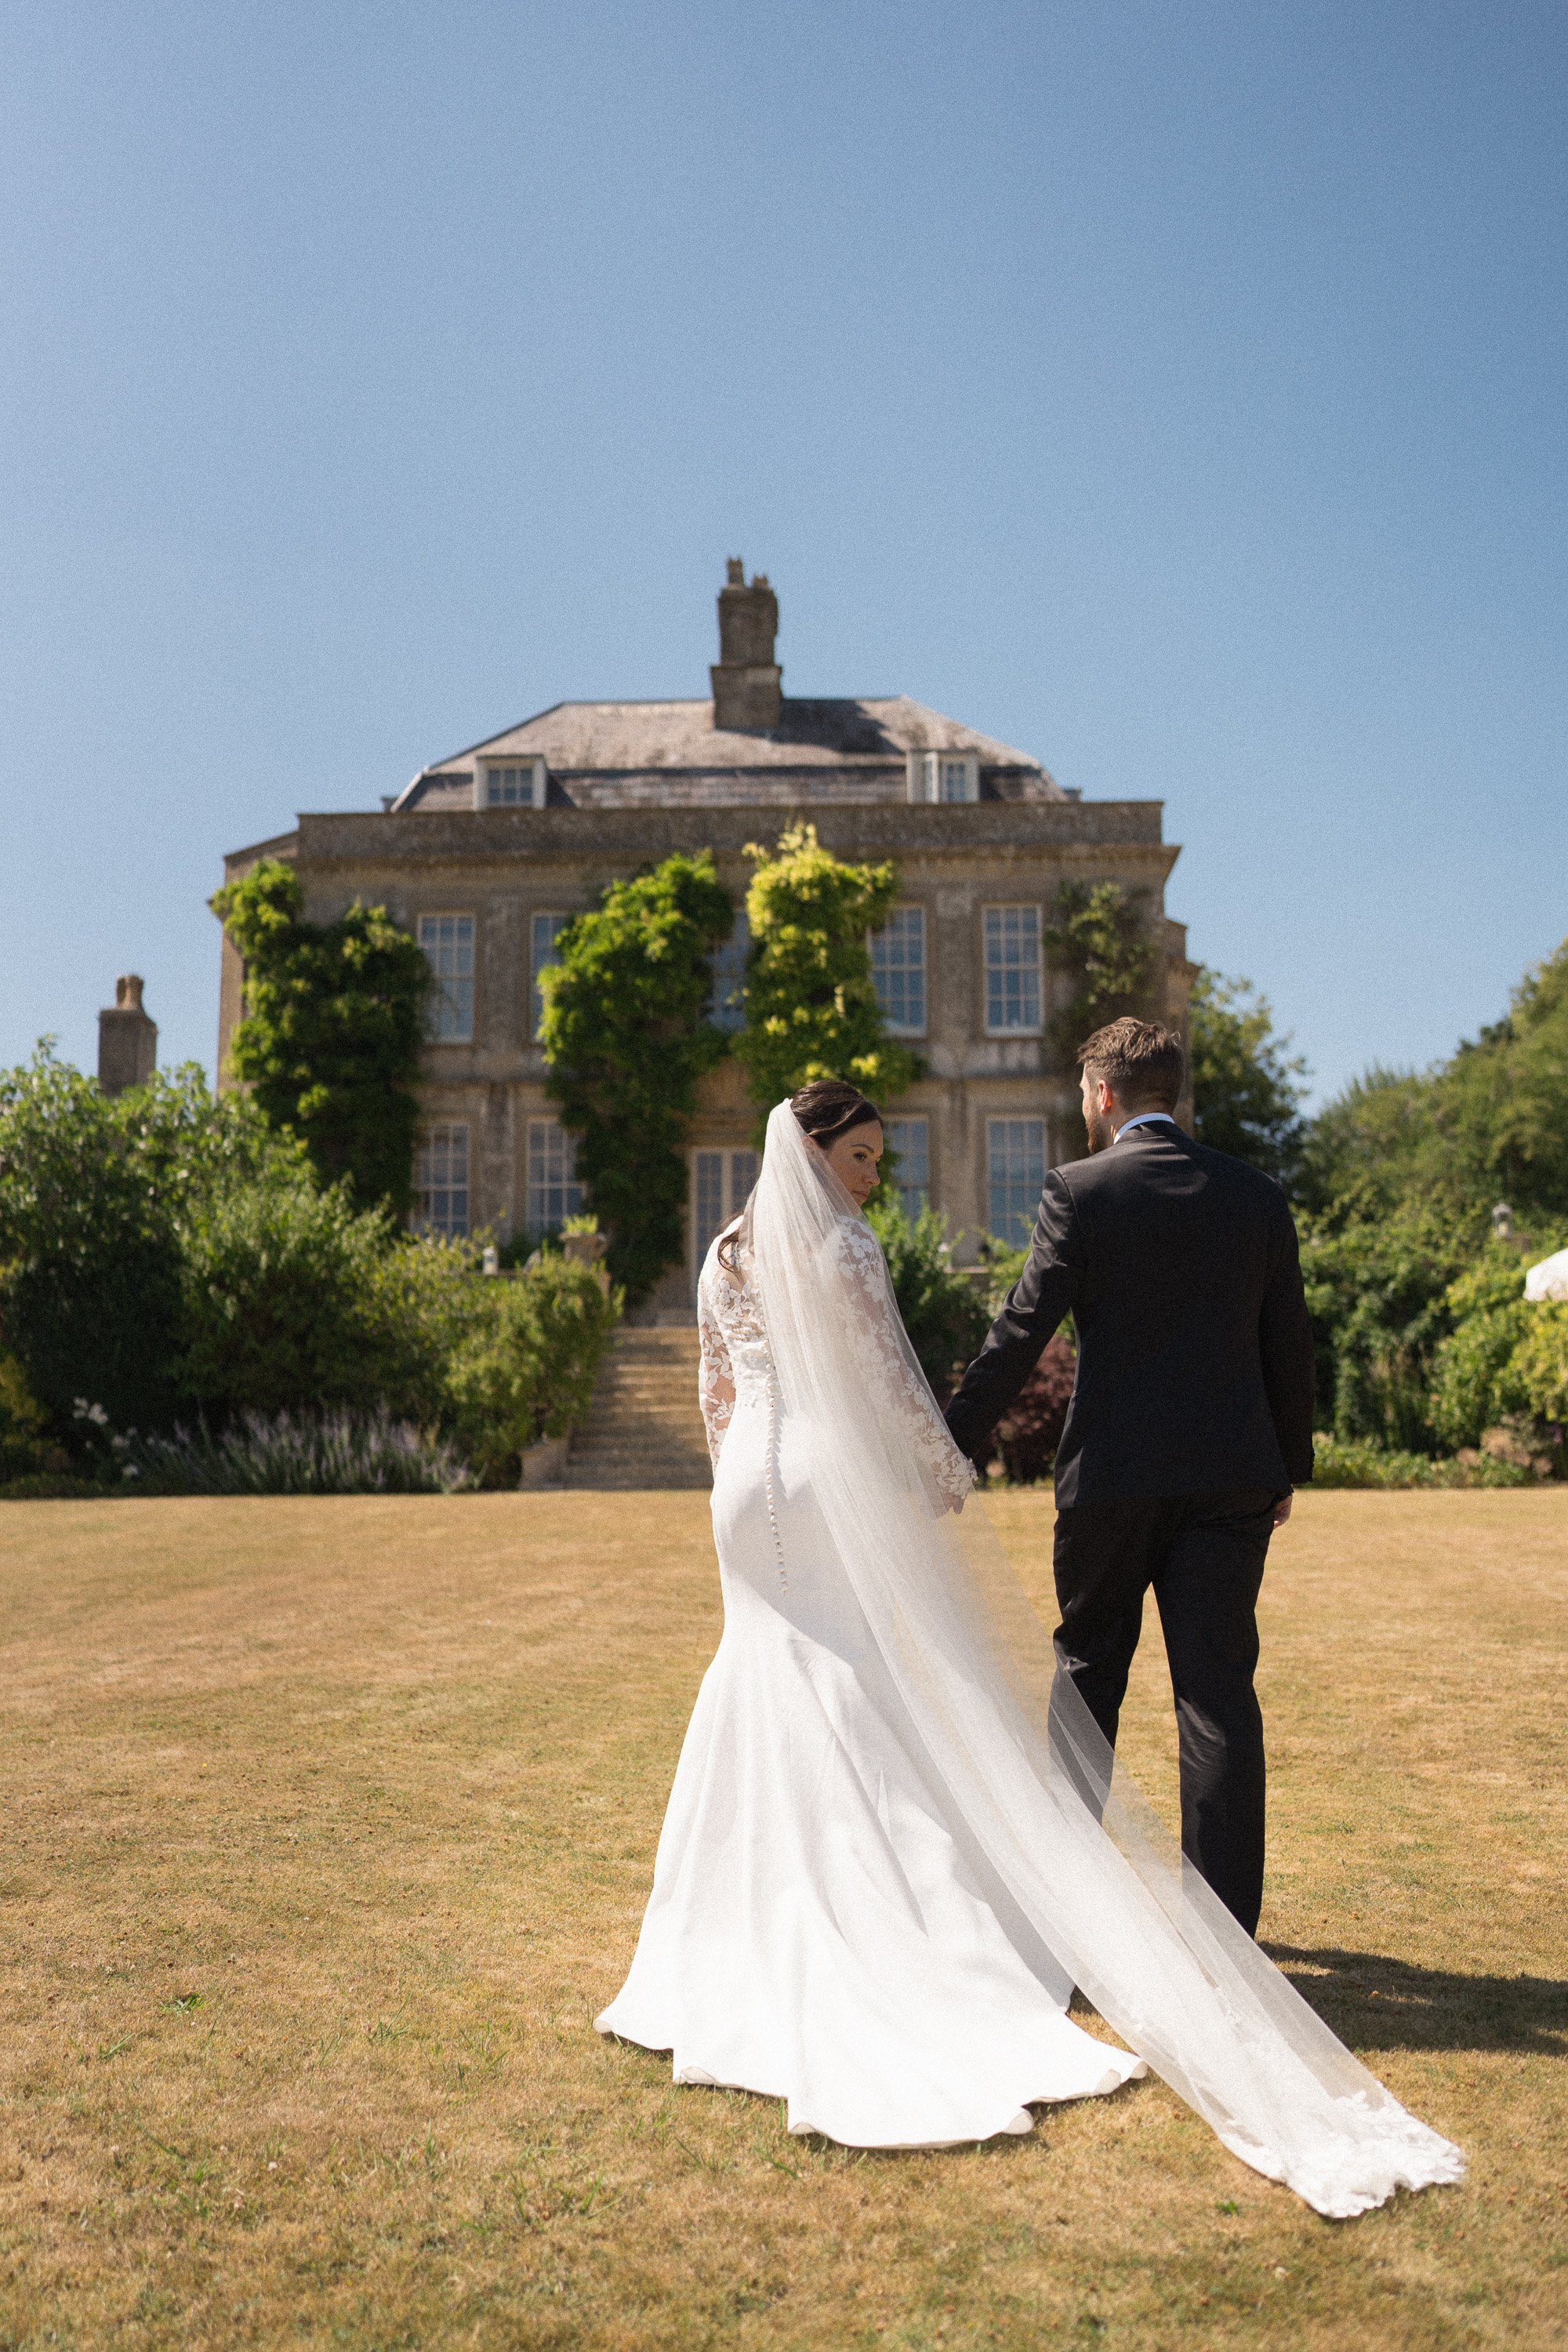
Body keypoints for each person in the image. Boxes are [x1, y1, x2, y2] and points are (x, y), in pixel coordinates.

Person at [596, 1080, 1461, 2215]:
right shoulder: (847, 1251)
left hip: (747, 1487)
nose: (870, 1178)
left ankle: (736, 1926)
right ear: (816, 1154)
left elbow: (720, 1388)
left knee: (768, 1676)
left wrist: (738, 1479)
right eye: (860, 1157)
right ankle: (1002, 1917)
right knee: (867, 1684)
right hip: (825, 1481)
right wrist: (942, 1461)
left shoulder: (722, 1252)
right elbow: (885, 1376)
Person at [945, 1017, 1315, 1937]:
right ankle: (1223, 1935)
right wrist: (1284, 1468)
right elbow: (1289, 1349)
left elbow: (1017, 1335)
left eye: (1080, 1092)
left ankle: (1059, 1918)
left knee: (1084, 1682)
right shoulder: (1255, 1196)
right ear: (1172, 1094)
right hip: (1229, 1482)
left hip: (1109, 1481)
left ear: (1103, 1095)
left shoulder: (1080, 1190)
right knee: (1217, 1696)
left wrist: (948, 1442)